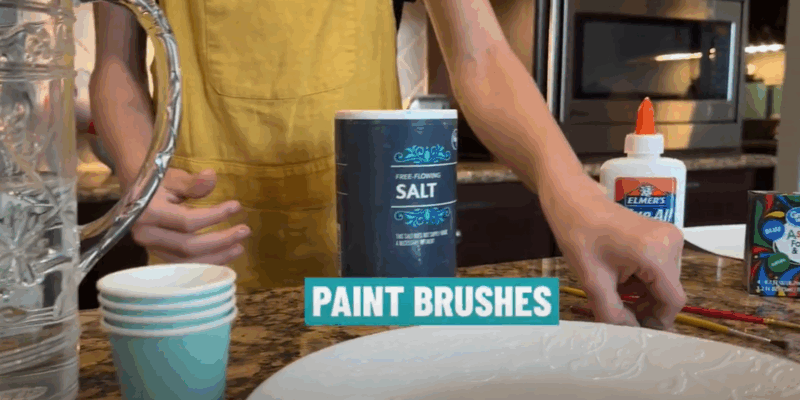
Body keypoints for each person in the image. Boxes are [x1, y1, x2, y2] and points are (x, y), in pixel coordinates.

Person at [90, 0, 687, 329]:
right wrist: (141, 175)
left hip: (374, 266)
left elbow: (478, 50)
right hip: (197, 257)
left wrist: (578, 198)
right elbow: (116, 60)